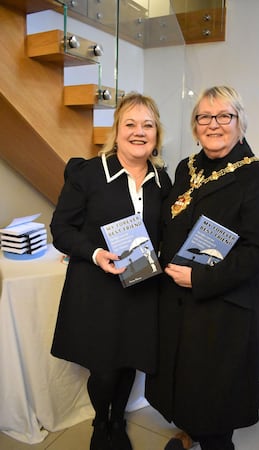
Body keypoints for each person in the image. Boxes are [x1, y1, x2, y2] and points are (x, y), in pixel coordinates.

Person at [145, 86, 259, 450]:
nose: (213, 124)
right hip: (175, 303)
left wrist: (201, 277)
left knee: (213, 404)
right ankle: (189, 433)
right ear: (195, 125)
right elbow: (168, 222)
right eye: (204, 116)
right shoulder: (185, 168)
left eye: (224, 116)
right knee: (184, 391)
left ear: (240, 122)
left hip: (221, 309)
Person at [50, 92, 172, 450]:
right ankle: (100, 423)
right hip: (97, 289)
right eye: (130, 124)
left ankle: (118, 420)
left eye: (147, 125)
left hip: (143, 287)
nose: (139, 132)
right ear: (116, 130)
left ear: (156, 134)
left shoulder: (163, 182)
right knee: (103, 368)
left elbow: (166, 232)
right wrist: (94, 253)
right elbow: (61, 229)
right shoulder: (87, 173)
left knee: (130, 360)